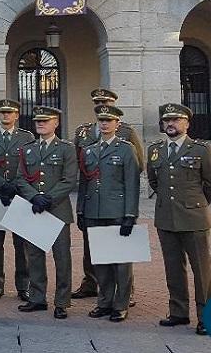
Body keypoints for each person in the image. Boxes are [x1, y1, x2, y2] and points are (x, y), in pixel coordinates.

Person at [148, 103, 211, 336]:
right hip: (166, 219)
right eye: (167, 120)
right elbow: (154, 181)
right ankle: (178, 312)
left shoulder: (201, 149)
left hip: (194, 218)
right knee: (173, 268)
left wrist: (196, 205)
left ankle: (205, 317)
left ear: (187, 124)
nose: (170, 124)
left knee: (201, 271)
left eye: (176, 120)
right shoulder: (155, 149)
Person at [72, 88, 144, 302]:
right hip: (92, 199)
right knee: (91, 244)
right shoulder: (83, 132)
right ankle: (91, 282)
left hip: (115, 199)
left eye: (107, 101)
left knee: (120, 249)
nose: (102, 105)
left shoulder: (126, 133)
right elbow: (81, 166)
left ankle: (125, 292)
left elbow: (136, 166)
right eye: (98, 103)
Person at [15, 106, 78, 320]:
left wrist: (48, 198)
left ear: (56, 123)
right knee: (34, 256)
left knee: (62, 258)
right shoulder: (28, 148)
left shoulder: (66, 148)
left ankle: (62, 302)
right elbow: (20, 178)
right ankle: (37, 298)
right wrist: (34, 197)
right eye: (37, 121)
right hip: (34, 209)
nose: (40, 124)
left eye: (45, 121)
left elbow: (69, 179)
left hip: (57, 210)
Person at [0, 99, 34, 301]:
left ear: (17, 115)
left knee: (22, 244)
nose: (6, 116)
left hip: (19, 195)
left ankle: (23, 286)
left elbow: (28, 165)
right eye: (3, 112)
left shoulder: (26, 137)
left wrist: (15, 185)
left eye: (10, 113)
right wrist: (2, 185)